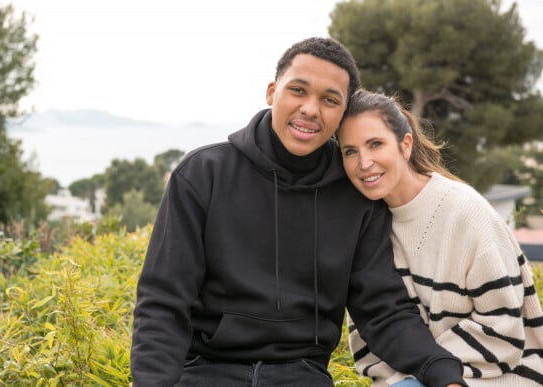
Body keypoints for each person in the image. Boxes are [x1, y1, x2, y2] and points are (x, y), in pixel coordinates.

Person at [131, 37, 466, 387]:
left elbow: (382, 309)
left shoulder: (355, 195)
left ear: (342, 114)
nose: (310, 109)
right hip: (206, 371)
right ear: (272, 91)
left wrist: (441, 372)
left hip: (302, 374)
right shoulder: (203, 174)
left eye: (329, 100)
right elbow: (164, 301)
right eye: (298, 91)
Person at [336, 89, 543, 387]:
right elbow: (372, 333)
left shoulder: (465, 212)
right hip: (416, 378)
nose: (364, 162)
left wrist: (436, 373)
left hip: (499, 376)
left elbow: (503, 327)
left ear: (405, 145)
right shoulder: (366, 226)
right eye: (350, 151)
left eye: (375, 144)